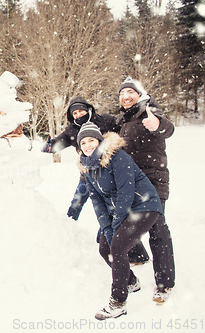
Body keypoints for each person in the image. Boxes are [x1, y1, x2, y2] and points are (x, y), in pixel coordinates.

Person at [42, 97, 149, 265]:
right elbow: (58, 143)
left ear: (88, 109)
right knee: (75, 205)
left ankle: (135, 253)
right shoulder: (72, 130)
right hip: (87, 177)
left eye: (81, 111)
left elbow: (124, 125)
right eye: (75, 113)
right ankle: (65, 236)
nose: (78, 115)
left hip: (110, 176)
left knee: (113, 214)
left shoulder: (105, 120)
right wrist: (48, 146)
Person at [76, 122, 163, 320]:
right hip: (122, 211)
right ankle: (131, 282)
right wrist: (107, 227)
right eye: (84, 142)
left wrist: (115, 226)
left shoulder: (118, 157)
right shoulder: (88, 168)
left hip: (144, 206)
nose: (88, 145)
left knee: (118, 245)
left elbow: (125, 192)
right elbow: (96, 199)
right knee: (104, 249)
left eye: (92, 140)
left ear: (99, 141)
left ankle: (118, 303)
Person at [116, 77, 176, 304]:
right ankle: (138, 255)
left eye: (131, 92)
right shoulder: (122, 120)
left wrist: (158, 125)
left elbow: (167, 128)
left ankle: (164, 284)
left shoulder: (149, 111)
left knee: (157, 228)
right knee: (125, 220)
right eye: (122, 93)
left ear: (140, 95)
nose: (126, 96)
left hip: (153, 180)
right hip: (130, 181)